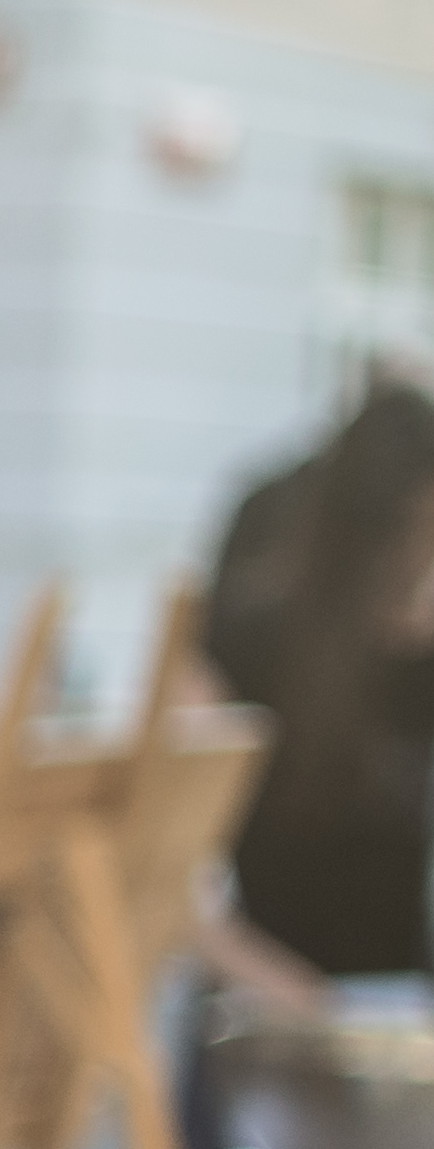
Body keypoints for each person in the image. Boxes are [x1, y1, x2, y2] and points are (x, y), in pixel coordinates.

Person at [198, 372, 434, 983]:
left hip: (395, 1011)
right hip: (270, 1015)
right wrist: (294, 1000)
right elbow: (160, 881)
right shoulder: (246, 646)